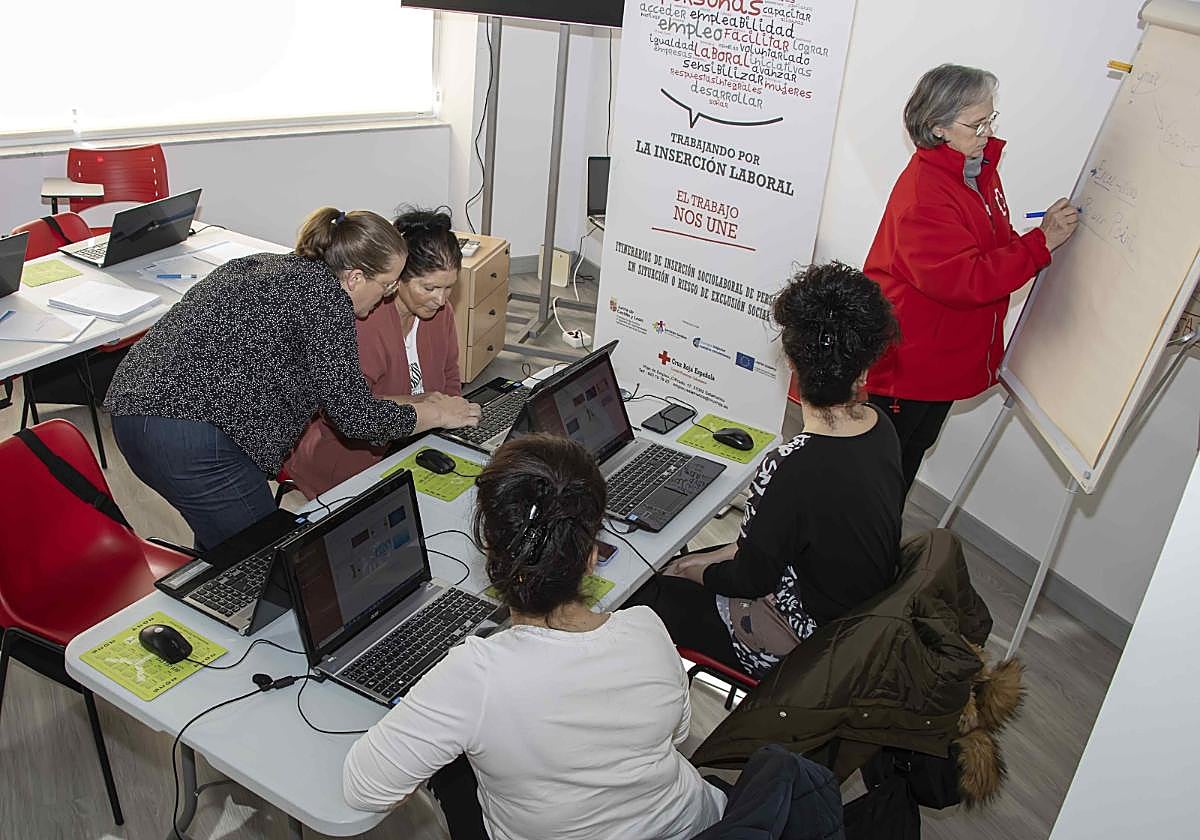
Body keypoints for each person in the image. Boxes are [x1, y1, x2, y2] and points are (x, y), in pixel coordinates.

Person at [342, 434, 726, 840]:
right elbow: (677, 734)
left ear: (490, 553)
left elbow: (365, 787)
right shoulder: (647, 628)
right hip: (695, 824)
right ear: (592, 557)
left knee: (452, 774)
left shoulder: (476, 677)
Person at [105, 207, 480, 550]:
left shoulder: (270, 265)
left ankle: (209, 591)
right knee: (261, 559)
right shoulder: (326, 301)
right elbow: (355, 417)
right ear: (354, 278)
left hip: (133, 408)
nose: (387, 295)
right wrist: (436, 414)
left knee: (225, 540)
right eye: (386, 285)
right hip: (189, 437)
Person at [626, 262, 904, 680]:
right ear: (864, 366)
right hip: (850, 630)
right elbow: (769, 546)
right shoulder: (881, 429)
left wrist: (694, 571)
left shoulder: (791, 467)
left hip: (801, 651)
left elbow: (749, 580)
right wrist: (699, 564)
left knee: (641, 595)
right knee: (679, 566)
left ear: (791, 361)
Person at [863, 63, 1079, 493]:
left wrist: (1035, 240)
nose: (986, 133)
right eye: (976, 124)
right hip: (910, 360)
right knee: (882, 474)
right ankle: (865, 537)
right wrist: (1041, 243)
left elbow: (994, 240)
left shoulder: (976, 170)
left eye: (990, 119)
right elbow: (968, 278)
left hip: (942, 355)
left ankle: (882, 534)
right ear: (937, 127)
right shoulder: (925, 196)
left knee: (911, 453)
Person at [284, 208, 464, 498]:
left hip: (418, 441)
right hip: (352, 456)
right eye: (429, 287)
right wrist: (428, 407)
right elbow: (349, 410)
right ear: (398, 279)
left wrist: (451, 425)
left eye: (449, 288)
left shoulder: (440, 313)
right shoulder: (361, 319)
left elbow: (450, 376)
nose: (440, 300)